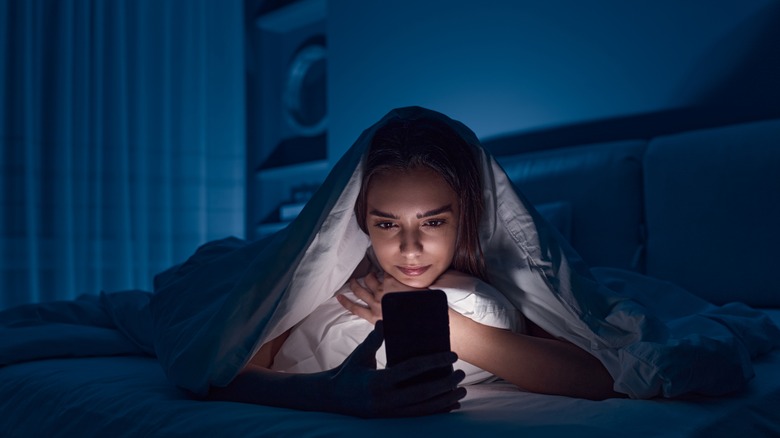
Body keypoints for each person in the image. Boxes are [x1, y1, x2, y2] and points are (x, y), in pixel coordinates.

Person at [206, 110, 620, 418]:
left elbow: (595, 378)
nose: (409, 249)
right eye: (386, 223)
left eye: (434, 221)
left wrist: (437, 320)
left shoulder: (504, 268)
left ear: (468, 214)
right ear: (361, 219)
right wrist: (332, 393)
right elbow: (224, 373)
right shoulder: (339, 269)